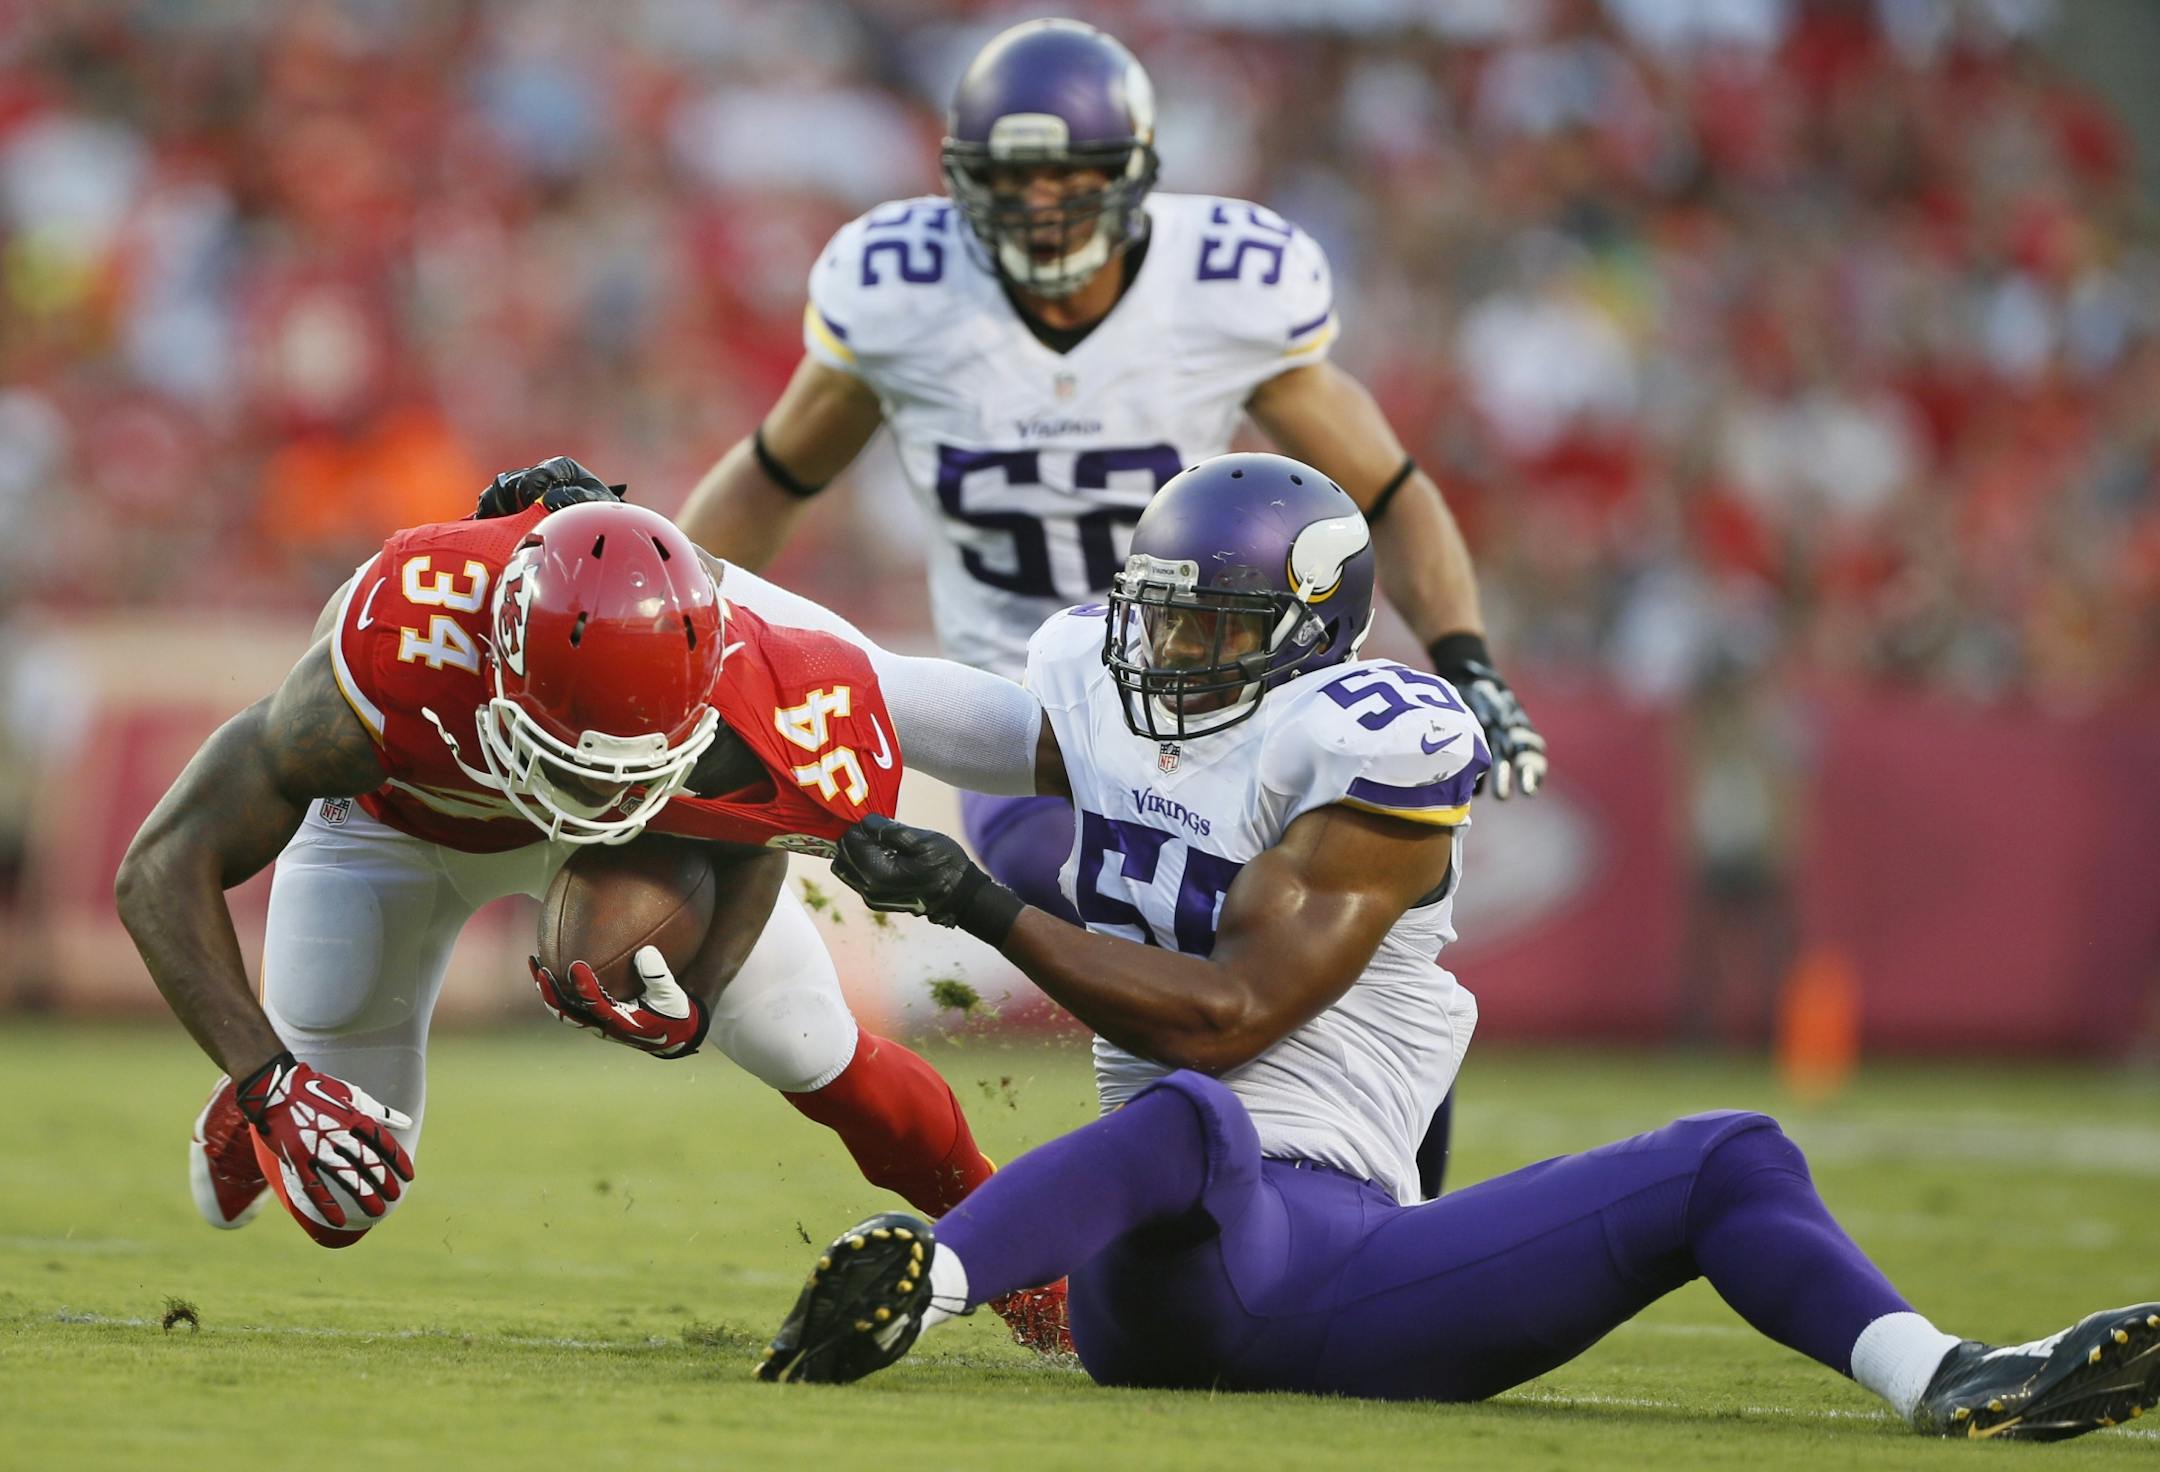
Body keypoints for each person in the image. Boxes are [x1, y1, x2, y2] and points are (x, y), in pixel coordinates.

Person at [754, 454, 2158, 1443]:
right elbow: (883, 687)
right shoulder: (1099, 690)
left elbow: (1231, 1013)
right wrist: (713, 610)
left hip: (1342, 1265)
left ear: (1311, 634)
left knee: (1731, 1156)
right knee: (1195, 1118)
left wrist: (976, 901)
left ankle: (1949, 1375)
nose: (1167, 648)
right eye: (1160, 609)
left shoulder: (1372, 748)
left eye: (1211, 622)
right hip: (1176, 1263)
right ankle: (924, 1286)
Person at [678, 18, 1539, 1195]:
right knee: (1175, 912)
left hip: (1237, 704)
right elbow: (773, 475)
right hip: (1036, 711)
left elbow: (1387, 489)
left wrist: (1468, 654)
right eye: (1013, 179)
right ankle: (1195, 1199)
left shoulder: (1222, 290)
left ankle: (1379, 1205)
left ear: (1132, 174)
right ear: (962, 182)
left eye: (1070, 175)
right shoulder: (905, 294)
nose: (1041, 207)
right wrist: (664, 587)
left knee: (1335, 949)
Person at [112, 458, 1064, 1346]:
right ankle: (252, 1094)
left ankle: (1037, 1286)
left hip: (640, 825)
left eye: (631, 770)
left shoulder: (770, 693)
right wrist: (270, 1079)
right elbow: (160, 864)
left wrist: (699, 1000)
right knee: (342, 1205)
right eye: (580, 768)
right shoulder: (402, 646)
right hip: (396, 825)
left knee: (802, 1039)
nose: (600, 794)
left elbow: (764, 825)